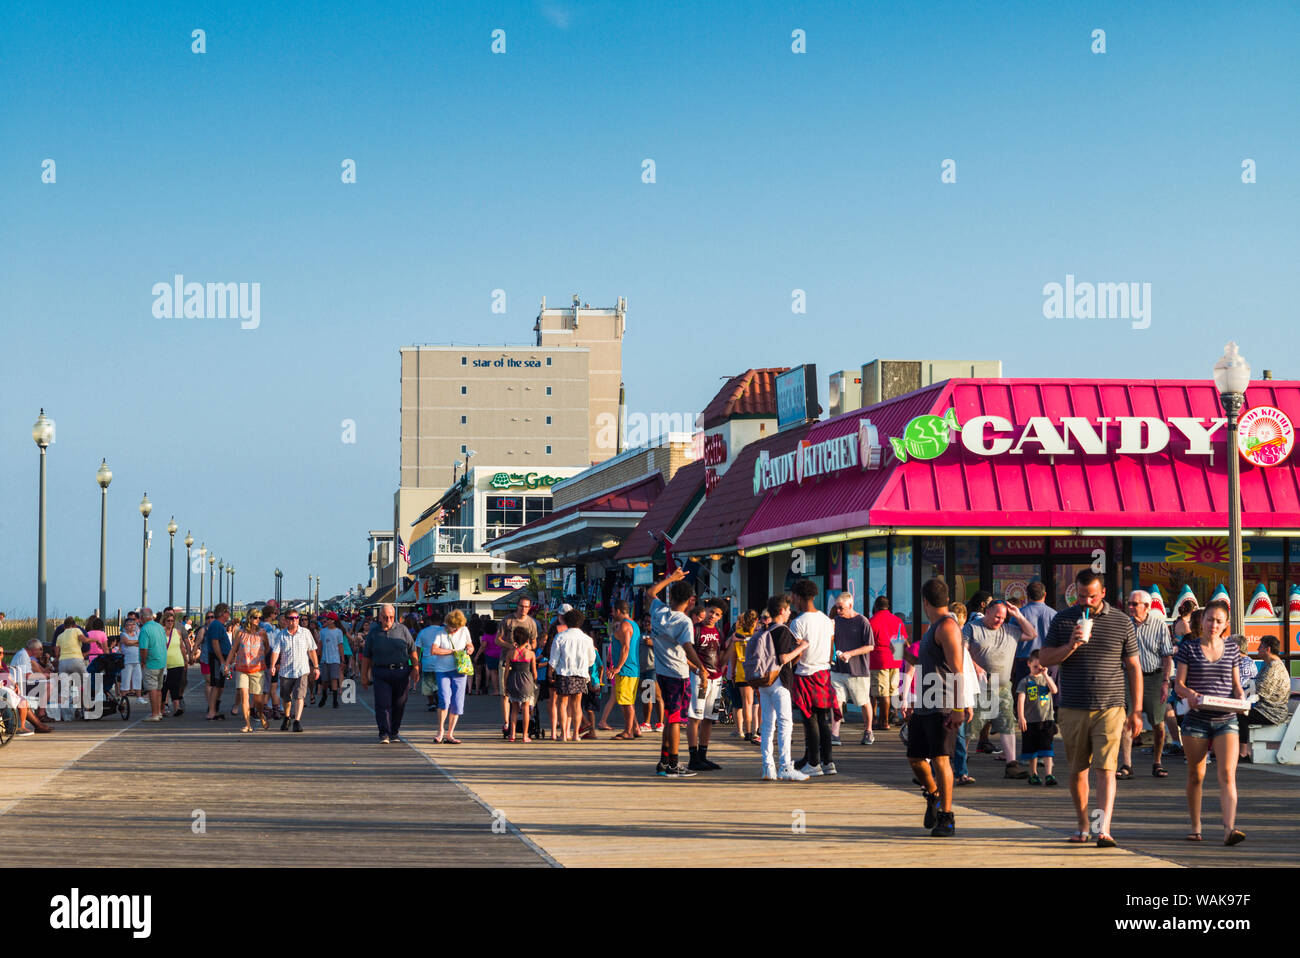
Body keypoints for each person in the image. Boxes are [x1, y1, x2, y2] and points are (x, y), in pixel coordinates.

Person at [1038, 569, 1142, 848]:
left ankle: (1103, 829)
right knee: (1077, 770)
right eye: (1081, 596)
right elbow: (1045, 658)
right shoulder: (1063, 619)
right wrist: (1071, 645)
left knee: (1106, 769)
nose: (1086, 601)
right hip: (1073, 706)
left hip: (1110, 705)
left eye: (1092, 596)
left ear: (1103, 593)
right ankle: (1083, 824)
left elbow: (1133, 666)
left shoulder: (1121, 621)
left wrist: (1137, 710)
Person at [1174, 599, 1246, 845]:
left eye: (1218, 621)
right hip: (1196, 720)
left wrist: (1242, 699)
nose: (1213, 624)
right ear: (1201, 621)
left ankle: (1229, 829)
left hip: (1226, 719)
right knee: (1196, 774)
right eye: (1209, 619)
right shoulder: (1189, 648)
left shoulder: (1233, 649)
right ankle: (1196, 826)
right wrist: (1190, 694)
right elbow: (1178, 685)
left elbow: (1236, 685)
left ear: (1226, 624)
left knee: (1227, 774)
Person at [903, 578, 969, 837]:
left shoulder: (948, 627)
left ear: (925, 601)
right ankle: (934, 794)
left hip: (942, 704)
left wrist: (958, 708)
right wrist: (907, 656)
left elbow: (957, 670)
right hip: (924, 703)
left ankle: (947, 817)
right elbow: (932, 664)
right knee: (915, 758)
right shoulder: (934, 628)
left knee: (941, 760)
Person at [965, 597, 1037, 778]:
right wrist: (976, 666)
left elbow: (1032, 634)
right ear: (987, 611)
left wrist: (1018, 615)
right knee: (970, 726)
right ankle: (959, 758)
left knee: (1007, 725)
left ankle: (1011, 765)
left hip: (1003, 687)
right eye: (996, 616)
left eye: (1003, 618)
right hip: (979, 687)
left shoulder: (1010, 630)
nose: (1000, 620)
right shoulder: (973, 628)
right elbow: (960, 650)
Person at [647, 567, 707, 777]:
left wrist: (670, 578)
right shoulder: (683, 622)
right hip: (677, 675)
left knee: (669, 717)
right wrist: (701, 668)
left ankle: (664, 762)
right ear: (691, 601)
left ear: (670, 596)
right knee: (675, 721)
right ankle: (673, 764)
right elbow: (688, 648)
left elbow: (650, 593)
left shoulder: (659, 611)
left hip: (662, 672)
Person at [1121, 590, 1176, 779]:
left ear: (1147, 607)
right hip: (1128, 677)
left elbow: (1167, 656)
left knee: (1158, 723)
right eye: (1129, 603)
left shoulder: (1159, 626)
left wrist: (1165, 681)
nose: (1130, 607)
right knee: (1126, 720)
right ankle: (1127, 764)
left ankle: (1157, 762)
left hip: (1153, 677)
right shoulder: (1125, 624)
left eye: (1135, 604)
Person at [756, 594, 810, 781]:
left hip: (764, 682)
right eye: (787, 610)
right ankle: (786, 766)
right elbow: (784, 659)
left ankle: (767, 767)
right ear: (781, 611)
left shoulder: (766, 629)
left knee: (767, 724)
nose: (789, 613)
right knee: (785, 723)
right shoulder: (783, 631)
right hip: (780, 682)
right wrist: (802, 647)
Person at [790, 579, 837, 777]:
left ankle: (813, 763)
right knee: (823, 720)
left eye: (793, 597)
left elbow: (796, 653)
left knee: (810, 720)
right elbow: (831, 647)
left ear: (799, 598)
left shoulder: (797, 622)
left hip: (805, 673)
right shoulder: (827, 620)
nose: (792, 601)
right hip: (824, 673)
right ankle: (827, 761)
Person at [361, 604, 419, 743]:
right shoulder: (374, 633)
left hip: (401, 671)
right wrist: (364, 676)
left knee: (399, 703)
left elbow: (412, 650)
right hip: (381, 672)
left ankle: (394, 731)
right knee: (383, 703)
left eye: (391, 617)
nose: (388, 620)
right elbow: (366, 656)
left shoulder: (402, 630)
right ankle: (384, 732)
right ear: (380, 617)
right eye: (385, 617)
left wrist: (416, 668)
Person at [686, 598, 732, 770]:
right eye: (711, 611)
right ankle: (693, 757)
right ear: (705, 610)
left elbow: (722, 659)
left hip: (717, 679)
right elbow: (685, 655)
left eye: (717, 614)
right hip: (700, 680)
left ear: (721, 617)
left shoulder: (719, 633)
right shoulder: (694, 630)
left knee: (709, 718)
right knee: (695, 717)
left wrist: (733, 643)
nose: (713, 616)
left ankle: (703, 756)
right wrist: (697, 670)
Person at [829, 591, 874, 746]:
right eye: (836, 608)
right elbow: (830, 640)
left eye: (841, 608)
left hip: (858, 670)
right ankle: (835, 733)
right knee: (837, 702)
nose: (838, 611)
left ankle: (868, 731)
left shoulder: (862, 621)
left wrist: (850, 654)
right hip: (837, 669)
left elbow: (870, 646)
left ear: (850, 605)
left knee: (863, 701)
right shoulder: (836, 621)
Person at [1240, 635, 1289, 762]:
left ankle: (1243, 752)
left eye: (1260, 647)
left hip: (1272, 712)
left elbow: (1260, 692)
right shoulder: (1270, 665)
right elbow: (1256, 687)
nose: (1257, 649)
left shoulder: (1273, 668)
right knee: (1238, 712)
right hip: (1268, 708)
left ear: (1267, 649)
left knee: (1240, 715)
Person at [549, 609, 596, 742]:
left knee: (562, 704)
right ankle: (576, 734)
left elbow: (554, 659)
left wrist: (550, 672)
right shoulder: (587, 639)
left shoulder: (560, 637)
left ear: (566, 621)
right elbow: (591, 659)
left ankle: (564, 734)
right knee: (577, 704)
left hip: (564, 673)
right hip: (580, 674)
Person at [428, 609, 474, 743]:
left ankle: (450, 733)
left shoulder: (464, 630)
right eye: (451, 627)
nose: (453, 630)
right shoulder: (440, 632)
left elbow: (469, 644)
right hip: (443, 670)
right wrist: (452, 651)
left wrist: (470, 649)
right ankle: (440, 730)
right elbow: (434, 650)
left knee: (457, 703)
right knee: (444, 700)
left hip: (460, 670)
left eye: (456, 628)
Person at [269, 610, 319, 732]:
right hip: (286, 671)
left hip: (302, 670)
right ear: (286, 620)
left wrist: (316, 667)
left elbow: (312, 650)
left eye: (296, 618)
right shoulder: (281, 635)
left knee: (299, 696)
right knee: (286, 697)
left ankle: (297, 721)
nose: (295, 620)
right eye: (291, 618)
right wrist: (273, 665)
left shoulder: (305, 633)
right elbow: (276, 651)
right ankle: (286, 717)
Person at [867, 595, 907, 738]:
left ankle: (883, 722)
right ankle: (887, 717)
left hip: (879, 660)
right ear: (888, 606)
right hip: (895, 659)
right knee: (891, 690)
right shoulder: (897, 620)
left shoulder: (871, 621)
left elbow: (868, 642)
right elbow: (902, 640)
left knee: (880, 693)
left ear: (876, 606)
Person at [1016, 651, 1058, 786]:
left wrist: (1045, 674)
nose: (1037, 669)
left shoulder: (1046, 679)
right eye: (1035, 667)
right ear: (1029, 664)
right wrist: (1021, 716)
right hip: (1031, 720)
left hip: (1046, 720)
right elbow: (1021, 699)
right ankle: (1033, 773)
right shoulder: (1025, 681)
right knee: (1032, 749)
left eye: (1040, 667)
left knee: (1047, 749)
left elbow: (1054, 690)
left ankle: (1048, 774)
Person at [225, 610, 272, 731]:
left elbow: (267, 648)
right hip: (242, 669)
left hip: (257, 669)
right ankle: (247, 724)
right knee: (244, 696)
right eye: (255, 617)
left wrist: (260, 658)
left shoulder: (262, 633)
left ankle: (261, 714)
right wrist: (227, 664)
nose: (258, 620)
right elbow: (233, 649)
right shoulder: (240, 633)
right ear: (249, 618)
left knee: (258, 700)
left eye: (259, 618)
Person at [500, 598, 538, 736]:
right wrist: (510, 646)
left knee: (516, 702)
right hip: (507, 659)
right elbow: (497, 639)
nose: (523, 609)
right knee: (505, 695)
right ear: (517, 606)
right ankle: (507, 723)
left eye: (526, 607)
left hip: (522, 664)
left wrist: (528, 647)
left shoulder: (531, 623)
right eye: (521, 606)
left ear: (529, 608)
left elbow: (534, 642)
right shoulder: (507, 620)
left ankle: (515, 731)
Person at [605, 601, 641, 740]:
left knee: (626, 702)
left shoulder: (625, 625)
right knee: (627, 700)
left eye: (613, 611)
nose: (612, 614)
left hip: (626, 669)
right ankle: (634, 728)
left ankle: (628, 731)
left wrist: (618, 667)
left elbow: (626, 647)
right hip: (630, 668)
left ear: (619, 611)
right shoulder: (634, 625)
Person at [504, 626, 537, 742]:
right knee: (525, 708)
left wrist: (505, 684)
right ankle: (525, 735)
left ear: (515, 640)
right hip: (526, 681)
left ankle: (512, 734)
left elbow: (507, 671)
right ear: (527, 640)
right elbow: (534, 672)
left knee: (514, 709)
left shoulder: (510, 653)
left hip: (513, 680)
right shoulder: (531, 654)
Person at [137, 608, 169, 722]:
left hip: (151, 662)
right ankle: (159, 712)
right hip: (161, 662)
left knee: (152, 689)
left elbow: (143, 648)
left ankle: (155, 714)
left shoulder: (145, 629)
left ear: (142, 618)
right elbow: (164, 643)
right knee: (159, 688)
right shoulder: (159, 627)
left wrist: (143, 661)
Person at [204, 604, 232, 721]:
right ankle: (211, 711)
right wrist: (222, 660)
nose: (228, 615)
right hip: (217, 659)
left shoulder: (219, 625)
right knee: (216, 685)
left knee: (219, 685)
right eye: (227, 612)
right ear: (223, 613)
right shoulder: (216, 625)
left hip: (220, 658)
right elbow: (215, 643)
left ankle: (214, 709)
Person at [416, 610, 447, 712]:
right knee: (440, 684)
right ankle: (439, 700)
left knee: (428, 684)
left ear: (430, 620)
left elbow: (418, 648)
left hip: (427, 662)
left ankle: (431, 702)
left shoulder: (423, 632)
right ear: (441, 621)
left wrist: (417, 662)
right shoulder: (444, 631)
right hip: (442, 662)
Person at [316, 614, 348, 708]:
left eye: (328, 619)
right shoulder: (323, 632)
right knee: (325, 680)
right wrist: (318, 656)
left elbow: (340, 646)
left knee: (334, 678)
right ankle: (324, 695)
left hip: (335, 658)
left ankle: (334, 700)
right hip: (325, 659)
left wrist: (342, 660)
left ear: (333, 620)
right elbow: (320, 644)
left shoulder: (338, 632)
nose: (326, 621)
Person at [118, 617, 143, 704]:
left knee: (138, 679)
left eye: (133, 624)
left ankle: (139, 697)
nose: (132, 626)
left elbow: (141, 642)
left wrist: (133, 642)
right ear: (125, 626)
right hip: (127, 661)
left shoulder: (137, 634)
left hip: (137, 660)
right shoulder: (123, 634)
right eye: (129, 625)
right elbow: (126, 642)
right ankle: (123, 698)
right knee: (126, 679)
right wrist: (136, 642)